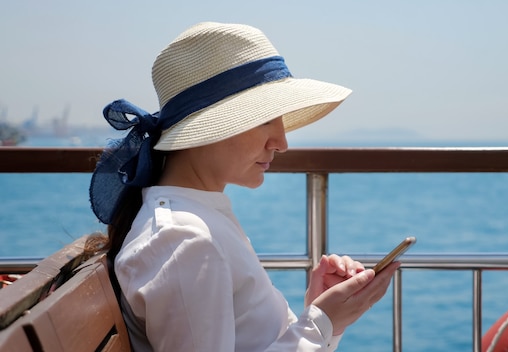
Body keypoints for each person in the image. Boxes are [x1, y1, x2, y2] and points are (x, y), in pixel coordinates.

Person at [89, 21, 400, 352]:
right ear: (208, 128)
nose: (281, 142)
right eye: (266, 119)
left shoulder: (193, 223)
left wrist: (317, 313)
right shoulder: (185, 240)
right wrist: (322, 322)